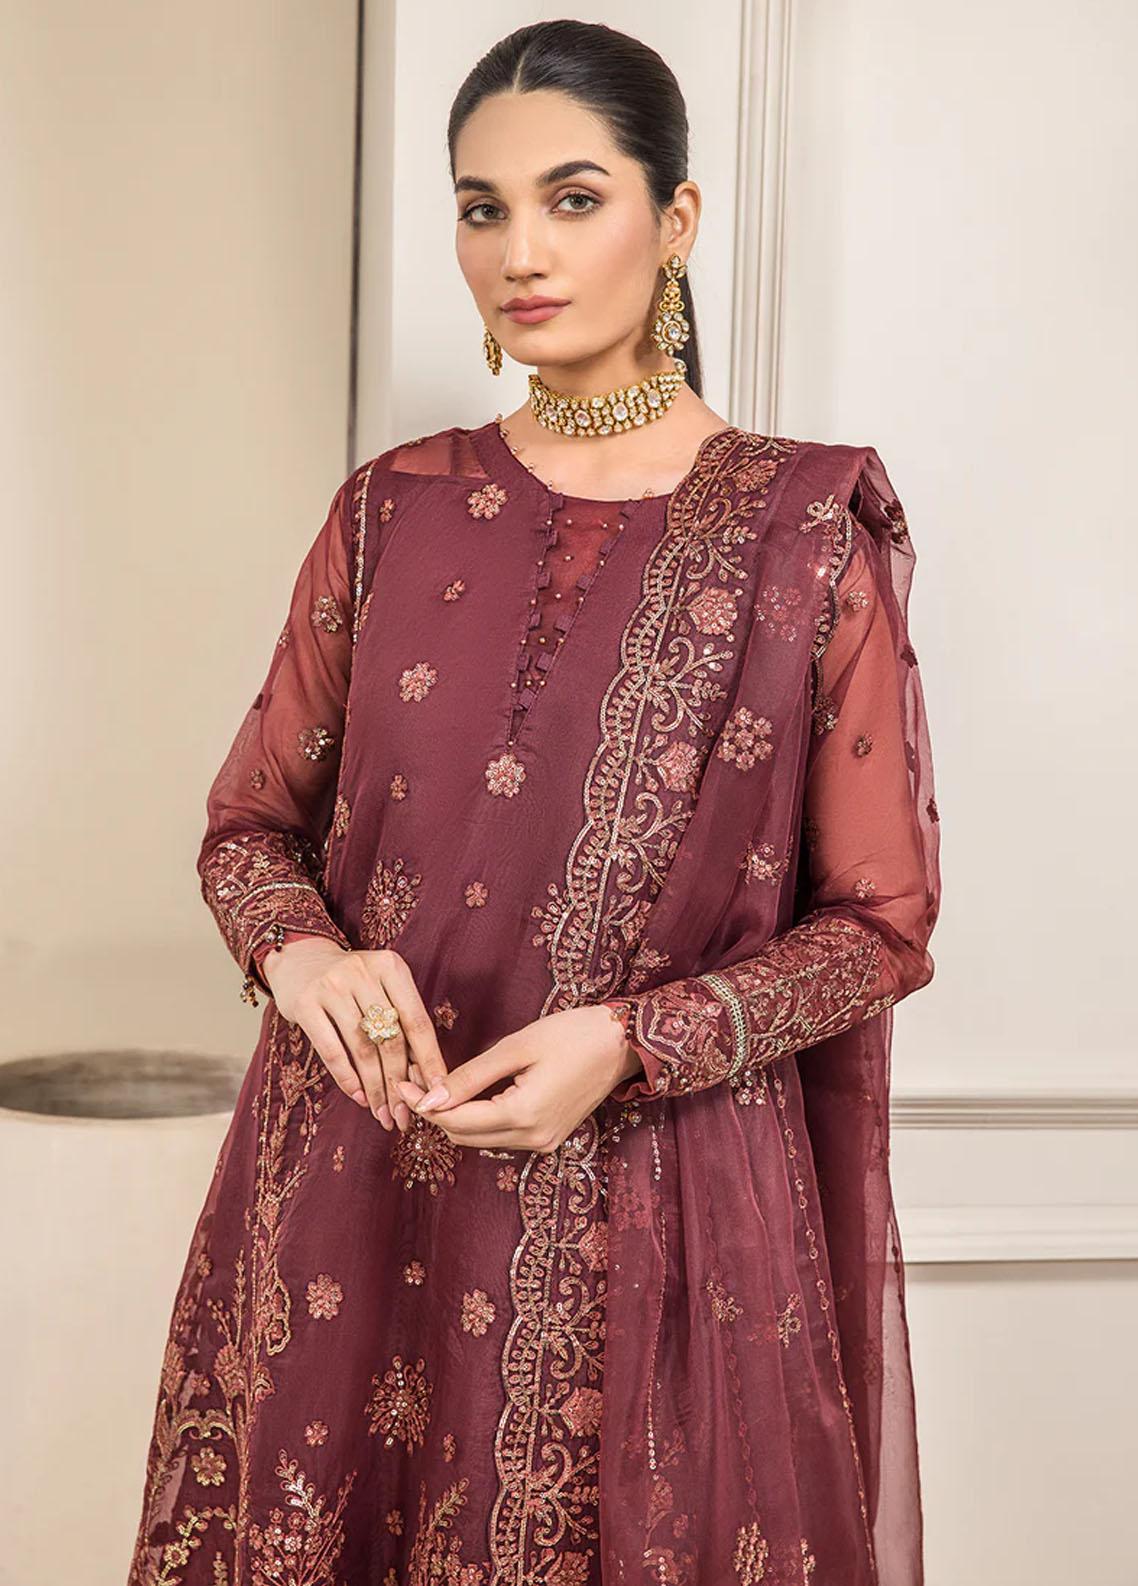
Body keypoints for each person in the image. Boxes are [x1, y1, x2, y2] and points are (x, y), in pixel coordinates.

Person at [127, 20, 940, 1586]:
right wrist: (306, 957)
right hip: (360, 1183)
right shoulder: (387, 512)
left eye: (573, 198)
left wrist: (633, 1040)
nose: (520, 251)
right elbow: (249, 828)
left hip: (658, 1215)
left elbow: (882, 923)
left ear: (674, 218)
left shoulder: (802, 533)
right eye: (480, 207)